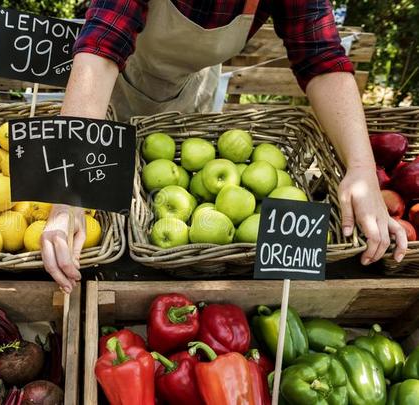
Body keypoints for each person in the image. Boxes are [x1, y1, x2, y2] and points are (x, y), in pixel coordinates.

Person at [39, 0, 408, 292]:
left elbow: (321, 56)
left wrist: (361, 169)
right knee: (118, 212)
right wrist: (69, 188)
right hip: (117, 85)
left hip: (192, 85)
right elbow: (104, 42)